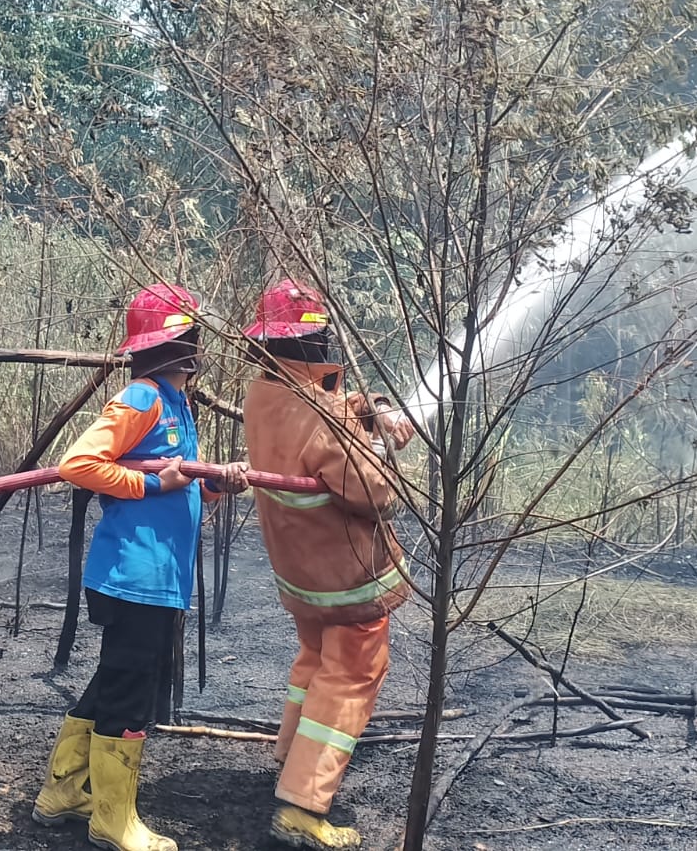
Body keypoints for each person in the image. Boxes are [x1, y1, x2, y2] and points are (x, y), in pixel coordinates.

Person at [33, 283, 248, 851]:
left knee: (114, 682)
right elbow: (77, 463)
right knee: (129, 697)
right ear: (185, 343)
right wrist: (153, 480)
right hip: (135, 578)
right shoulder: (142, 398)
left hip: (158, 577)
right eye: (195, 335)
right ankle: (113, 820)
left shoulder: (178, 405)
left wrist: (215, 486)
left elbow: (178, 496)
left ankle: (62, 792)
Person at [241, 279, 415, 851]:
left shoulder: (263, 395)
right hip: (346, 577)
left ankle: (290, 760)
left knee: (314, 662)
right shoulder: (325, 420)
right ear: (318, 341)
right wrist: (387, 444)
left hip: (300, 575)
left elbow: (321, 407)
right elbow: (373, 492)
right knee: (350, 678)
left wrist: (368, 409)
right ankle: (303, 806)